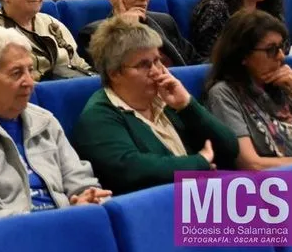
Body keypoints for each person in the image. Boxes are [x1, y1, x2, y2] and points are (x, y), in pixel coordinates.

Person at [0, 26, 109, 219]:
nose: (30, 82)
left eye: (30, 70)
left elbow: (79, 180)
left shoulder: (44, 120)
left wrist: (88, 197)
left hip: (69, 222)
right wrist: (60, 220)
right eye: (16, 73)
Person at [73, 16, 239, 195]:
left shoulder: (168, 100)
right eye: (144, 65)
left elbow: (229, 148)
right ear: (114, 73)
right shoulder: (98, 116)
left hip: (203, 198)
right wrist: (199, 162)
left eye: (157, 61)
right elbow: (131, 170)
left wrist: (187, 105)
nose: (156, 71)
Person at [205, 10, 292, 168]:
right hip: (268, 187)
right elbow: (251, 164)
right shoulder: (223, 94)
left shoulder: (285, 85)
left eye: (282, 47)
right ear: (243, 55)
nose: (281, 56)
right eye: (271, 50)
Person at [77, 0, 202, 67]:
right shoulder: (93, 34)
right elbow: (111, 77)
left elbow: (195, 62)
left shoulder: (164, 21)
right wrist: (123, 29)